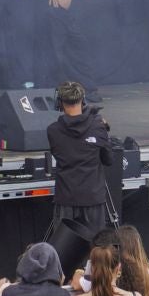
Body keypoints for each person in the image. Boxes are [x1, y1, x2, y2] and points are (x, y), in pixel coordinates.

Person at [46, 80, 116, 241]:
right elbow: (109, 159)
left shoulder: (52, 131)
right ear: (83, 100)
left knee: (63, 250)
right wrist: (104, 133)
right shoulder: (98, 126)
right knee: (96, 248)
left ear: (60, 103)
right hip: (93, 198)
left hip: (66, 198)